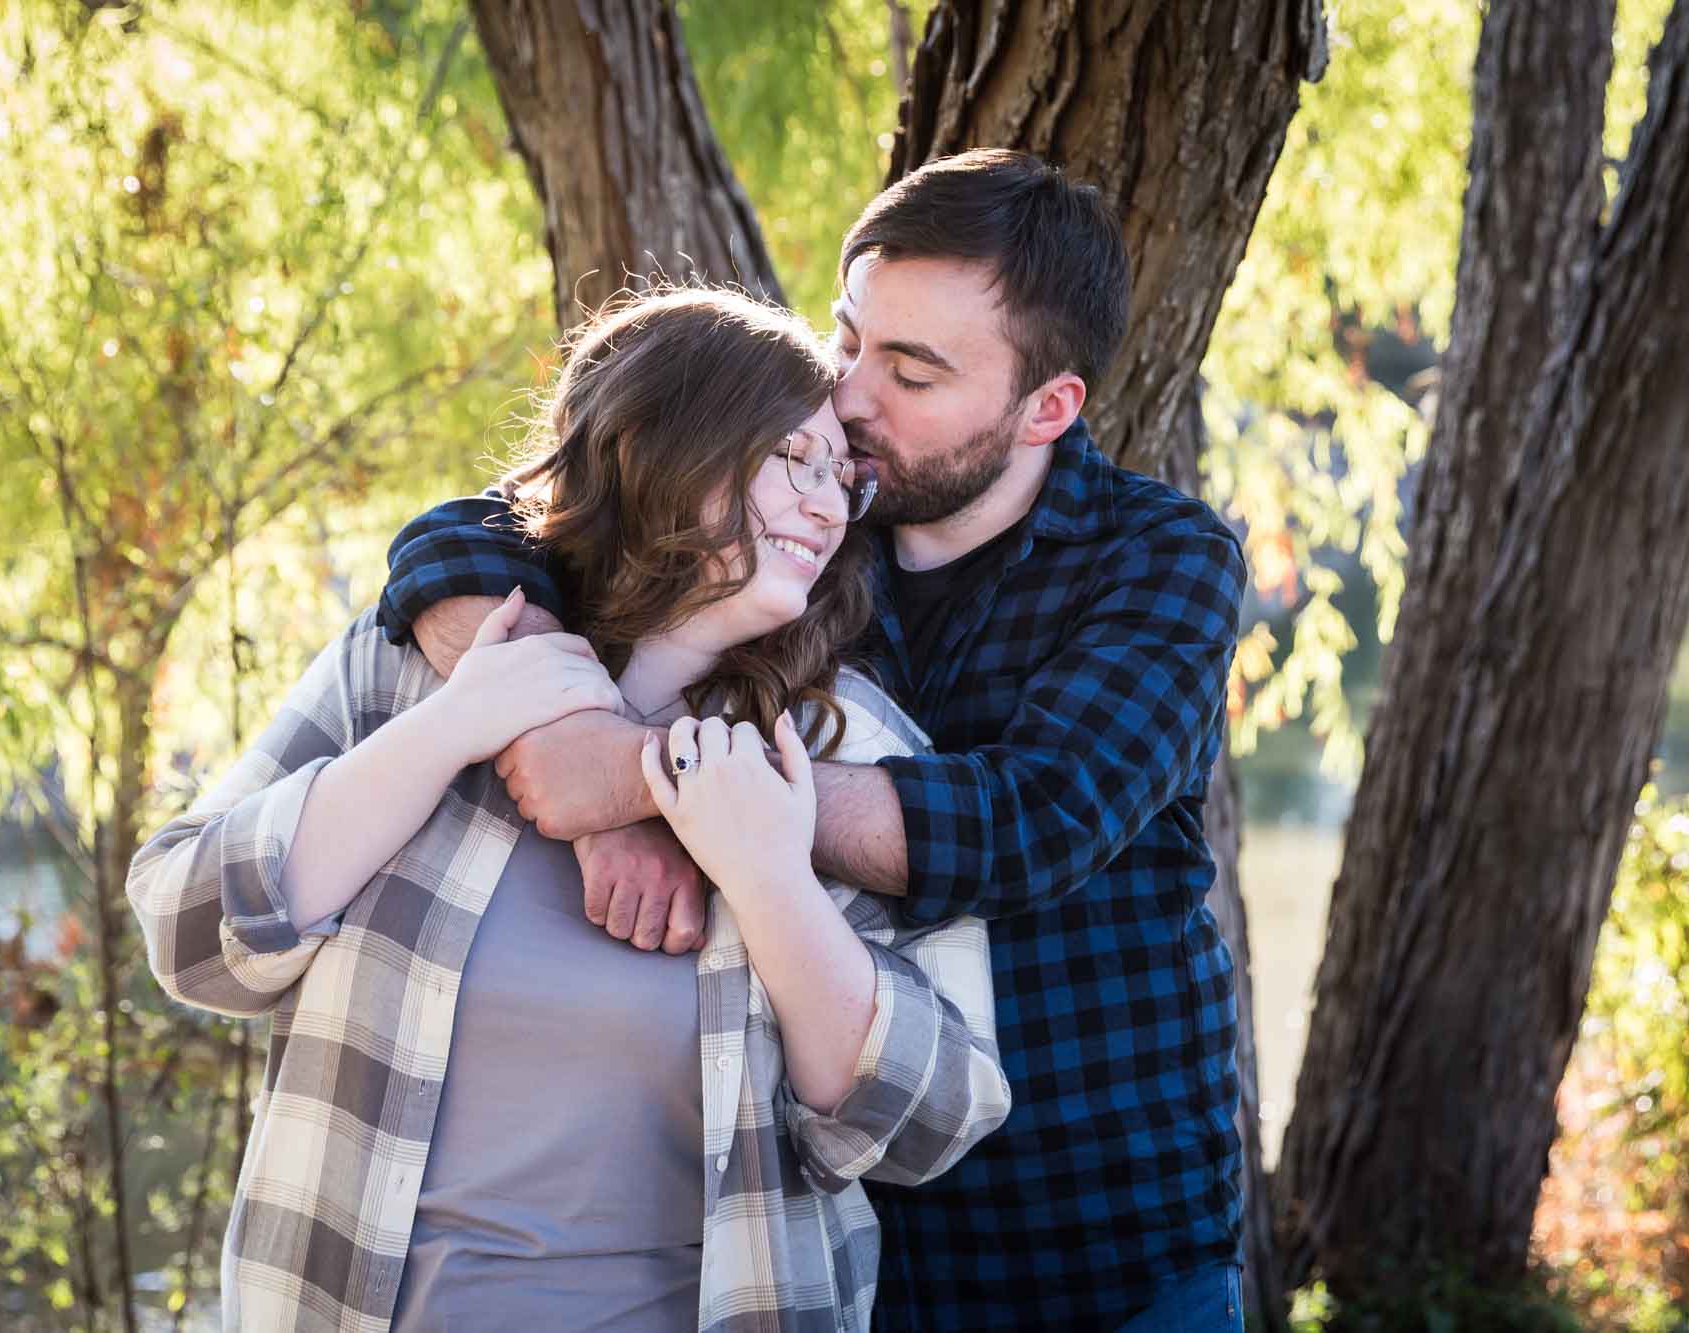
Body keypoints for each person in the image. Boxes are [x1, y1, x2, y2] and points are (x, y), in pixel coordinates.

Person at [378, 150, 1249, 1331]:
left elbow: (1026, 821)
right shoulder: (801, 514)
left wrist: (650, 779)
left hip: (1092, 1249)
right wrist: (569, 728)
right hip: (823, 1253)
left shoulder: (1160, 562)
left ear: (1048, 406)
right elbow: (466, 539)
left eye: (911, 372)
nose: (845, 398)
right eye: (846, 338)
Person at [127, 287, 1011, 1332]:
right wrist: (456, 727)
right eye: (792, 460)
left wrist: (770, 878)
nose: (828, 506)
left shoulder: (843, 750)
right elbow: (189, 937)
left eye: (840, 479)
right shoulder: (410, 665)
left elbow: (930, 1123)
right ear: (671, 444)